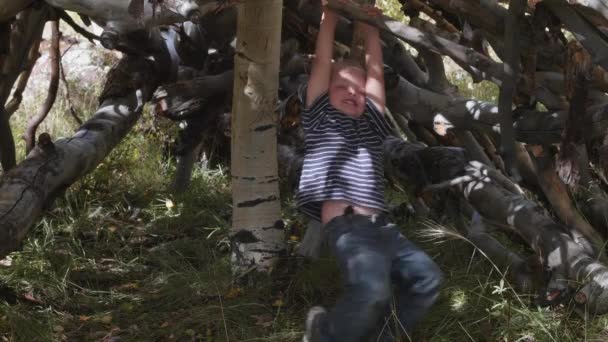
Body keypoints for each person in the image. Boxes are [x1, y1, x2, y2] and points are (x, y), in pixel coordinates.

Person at [298, 2, 443, 341]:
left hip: (383, 227)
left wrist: (372, 26)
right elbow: (322, 62)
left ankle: (384, 338)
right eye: (343, 87)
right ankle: (323, 333)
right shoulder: (319, 117)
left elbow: (376, 73)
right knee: (372, 288)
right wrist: (329, 17)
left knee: (427, 278)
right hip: (347, 224)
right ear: (325, 92)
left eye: (360, 92)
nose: (354, 94)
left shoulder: (372, 122)